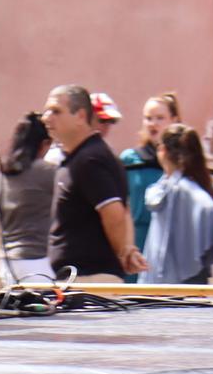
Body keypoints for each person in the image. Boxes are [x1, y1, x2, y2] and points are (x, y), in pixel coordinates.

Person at [41, 85, 145, 282]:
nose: (46, 117)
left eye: (56, 111)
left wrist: (123, 253)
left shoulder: (90, 159)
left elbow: (114, 212)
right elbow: (123, 211)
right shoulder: (79, 157)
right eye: (47, 111)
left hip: (90, 281)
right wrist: (127, 249)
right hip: (80, 281)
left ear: (80, 116)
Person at [138, 123, 213, 285]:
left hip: (170, 278)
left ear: (162, 150)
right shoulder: (174, 185)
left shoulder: (179, 188)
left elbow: (208, 207)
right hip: (188, 274)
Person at [0, 111, 57, 286]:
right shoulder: (47, 172)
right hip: (37, 261)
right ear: (44, 143)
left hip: (6, 262)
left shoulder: (1, 174)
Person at [122, 92, 179, 271]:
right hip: (139, 242)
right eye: (148, 118)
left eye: (160, 118)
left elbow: (208, 204)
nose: (153, 123)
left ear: (173, 120)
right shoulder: (131, 159)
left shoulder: (184, 162)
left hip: (173, 242)